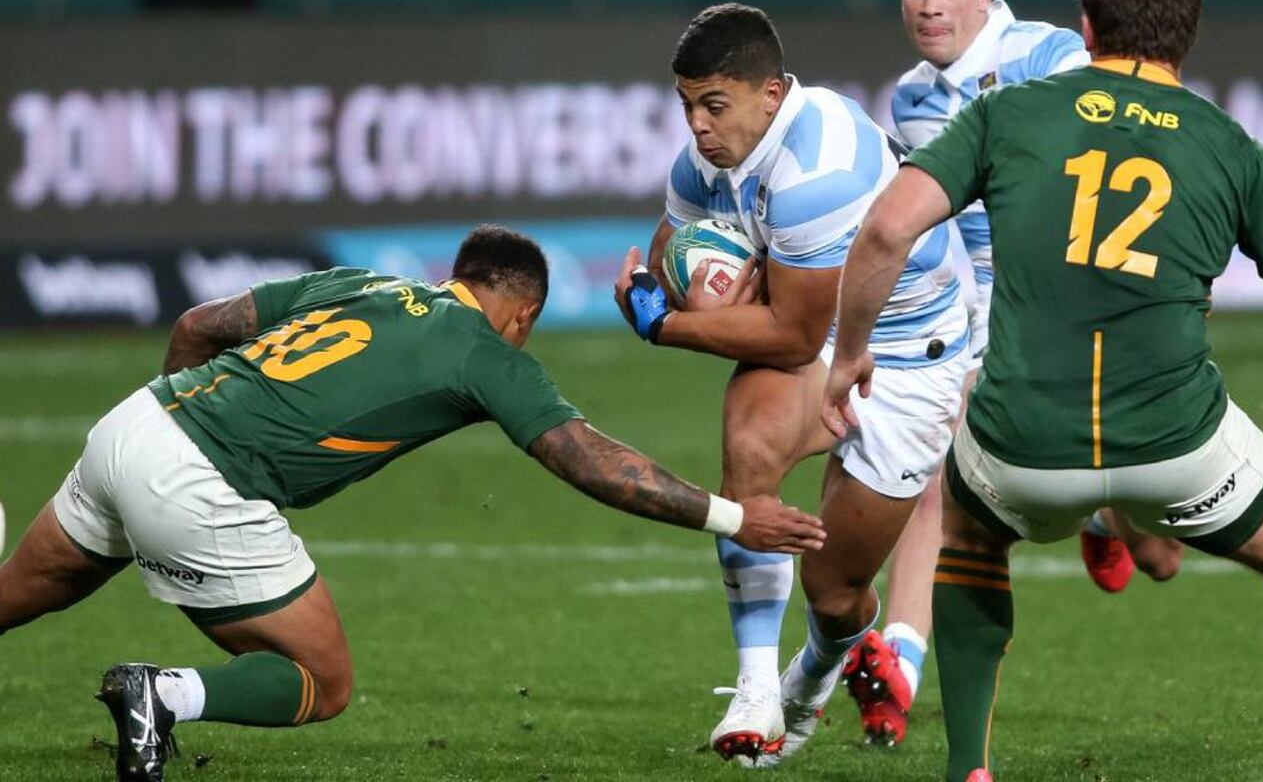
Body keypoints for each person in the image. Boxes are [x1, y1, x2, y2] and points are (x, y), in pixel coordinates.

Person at [822, 0, 1263, 782]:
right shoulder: (1230, 146)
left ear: (1085, 26)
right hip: (1176, 445)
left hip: (1022, 447)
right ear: (1188, 36)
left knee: (964, 534)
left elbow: (887, 229)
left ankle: (971, 766)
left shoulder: (1006, 114)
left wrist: (850, 354)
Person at [0, 224, 824, 782]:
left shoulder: (357, 282)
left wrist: (167, 422)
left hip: (135, 423)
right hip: (198, 479)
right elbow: (591, 463)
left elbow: (199, 323)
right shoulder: (484, 353)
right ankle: (163, 695)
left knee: (18, 594)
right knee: (321, 682)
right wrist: (733, 515)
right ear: (523, 314)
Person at [845, 0, 1183, 749]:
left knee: (1162, 556)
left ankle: (1108, 517)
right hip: (980, 315)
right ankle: (901, 664)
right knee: (939, 462)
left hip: (1076, 299)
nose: (931, 6)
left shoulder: (1048, 59)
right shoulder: (912, 99)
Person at [614, 3, 969, 765]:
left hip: (907, 359)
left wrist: (664, 324)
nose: (698, 126)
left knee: (835, 591)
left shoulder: (819, 174)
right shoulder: (704, 160)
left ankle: (805, 683)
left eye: (715, 105)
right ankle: (753, 690)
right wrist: (677, 286)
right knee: (749, 450)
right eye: (686, 106)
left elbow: (793, 333)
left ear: (770, 96)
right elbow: (671, 249)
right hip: (828, 341)